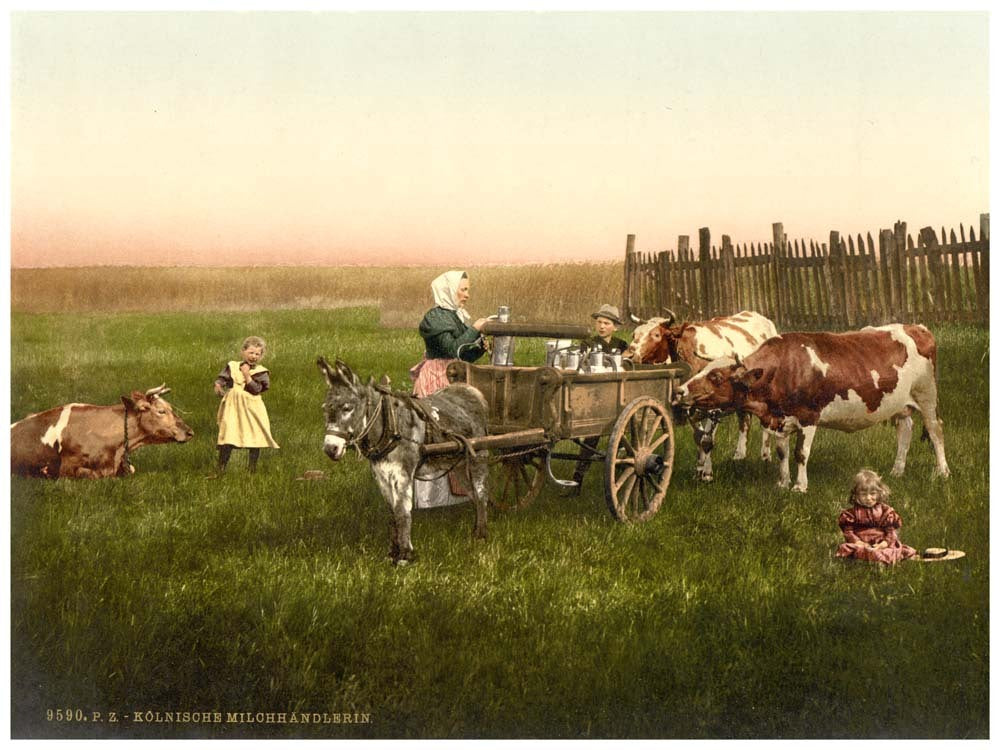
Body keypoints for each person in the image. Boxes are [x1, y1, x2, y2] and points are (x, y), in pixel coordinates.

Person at [409, 270, 489, 508]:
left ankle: (453, 497)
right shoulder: (435, 318)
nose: (467, 295)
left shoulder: (455, 315)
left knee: (455, 434)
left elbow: (464, 355)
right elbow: (453, 349)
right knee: (435, 435)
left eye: (467, 290)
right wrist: (474, 329)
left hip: (453, 376)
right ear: (448, 290)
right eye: (463, 289)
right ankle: (430, 500)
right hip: (437, 378)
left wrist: (480, 348)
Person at [210, 335, 279, 475]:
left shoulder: (261, 372)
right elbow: (223, 378)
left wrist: (247, 376)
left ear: (261, 356)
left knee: (255, 436)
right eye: (251, 352)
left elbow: (256, 390)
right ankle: (221, 468)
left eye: (257, 354)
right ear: (243, 352)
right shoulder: (233, 366)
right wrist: (218, 385)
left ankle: (251, 469)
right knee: (229, 434)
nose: (253, 356)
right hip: (233, 407)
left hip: (252, 408)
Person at [835, 469, 917, 565]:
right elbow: (848, 532)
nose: (868, 498)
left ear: (879, 493)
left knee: (887, 551)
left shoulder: (885, 512)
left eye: (872, 494)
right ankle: (871, 557)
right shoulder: (852, 514)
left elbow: (891, 532)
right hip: (861, 544)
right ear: (856, 495)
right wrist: (858, 542)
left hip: (880, 543)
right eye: (864, 494)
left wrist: (884, 544)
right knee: (848, 549)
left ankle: (880, 558)